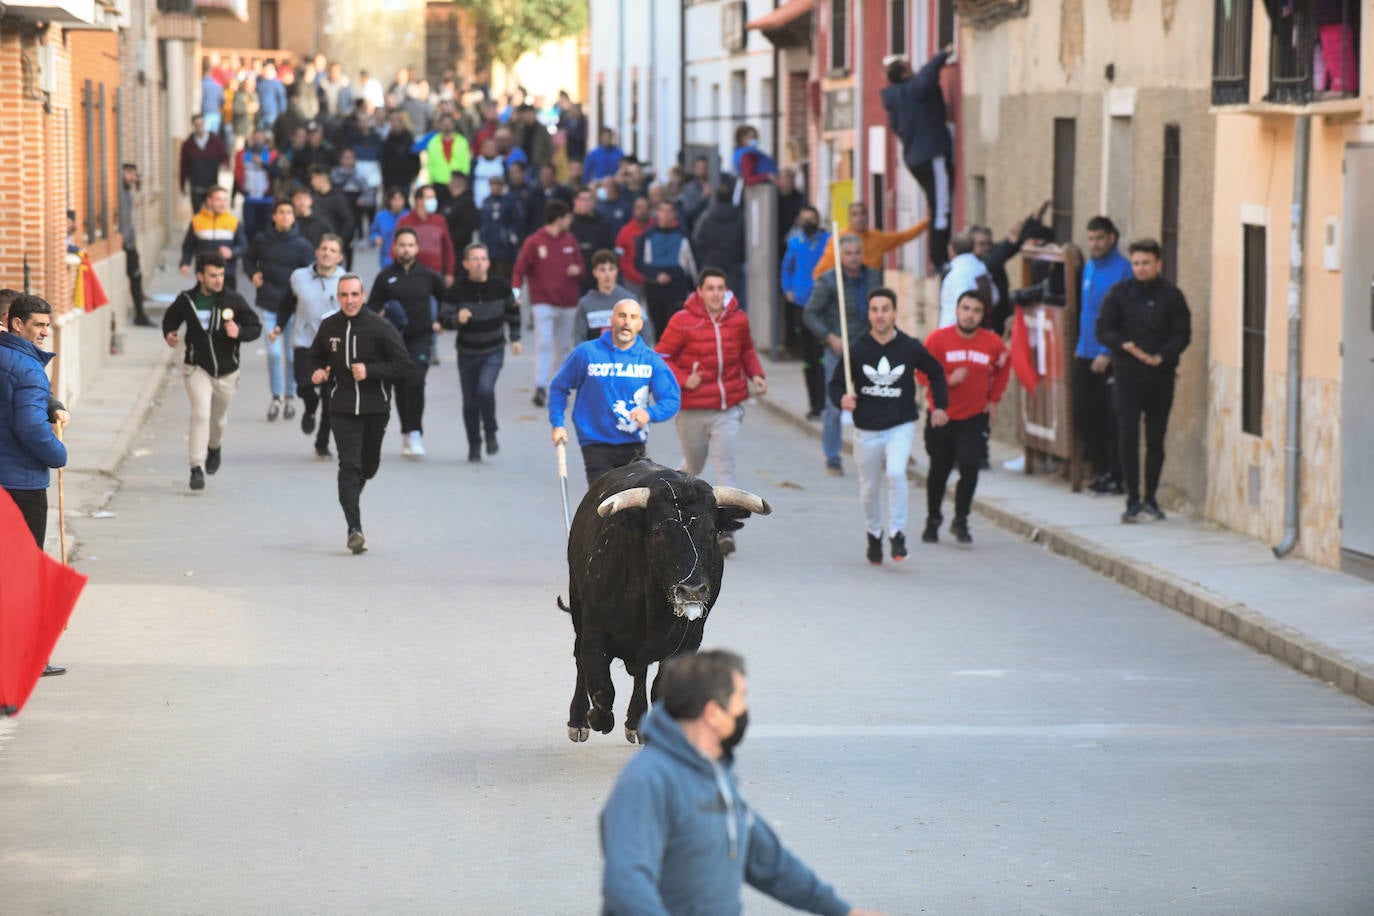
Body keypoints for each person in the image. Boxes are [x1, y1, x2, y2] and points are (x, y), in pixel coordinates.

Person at [600, 649, 886, 916]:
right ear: (713, 714)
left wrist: (841, 910)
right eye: (740, 698)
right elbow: (626, 884)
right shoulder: (647, 780)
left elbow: (768, 860)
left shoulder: (715, 773)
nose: (743, 710)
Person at [829, 288, 949, 564]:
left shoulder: (909, 347)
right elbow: (835, 386)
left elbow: (936, 371)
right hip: (867, 429)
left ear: (895, 312)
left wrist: (939, 405)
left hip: (900, 425)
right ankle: (874, 533)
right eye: (874, 310)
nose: (880, 315)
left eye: (885, 309)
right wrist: (843, 399)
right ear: (869, 314)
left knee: (896, 473)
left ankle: (897, 533)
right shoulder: (858, 349)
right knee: (869, 488)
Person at [655, 269, 766, 556]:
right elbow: (661, 357)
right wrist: (682, 379)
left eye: (721, 288)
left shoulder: (738, 319)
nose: (716, 293)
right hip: (692, 409)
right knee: (692, 466)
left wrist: (756, 374)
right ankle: (668, 503)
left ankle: (725, 530)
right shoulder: (683, 321)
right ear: (701, 292)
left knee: (724, 467)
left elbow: (747, 352)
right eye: (711, 288)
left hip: (726, 408)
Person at [307, 274, 413, 555]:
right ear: (338, 297)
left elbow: (404, 365)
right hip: (340, 408)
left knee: (368, 467)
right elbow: (314, 356)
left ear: (363, 296)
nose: (350, 301)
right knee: (348, 466)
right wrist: (316, 372)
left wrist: (371, 371)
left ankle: (355, 488)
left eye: (354, 295)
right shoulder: (329, 327)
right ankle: (354, 530)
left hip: (375, 408)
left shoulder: (381, 327)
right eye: (344, 295)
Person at [1095, 238, 1191, 523]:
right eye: (1136, 263)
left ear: (1158, 264)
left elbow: (1182, 333)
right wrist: (1123, 345)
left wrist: (1162, 355)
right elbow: (1104, 328)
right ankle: (1132, 498)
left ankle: (1151, 497)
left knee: (1156, 438)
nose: (1140, 268)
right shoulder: (1120, 293)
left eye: (1146, 263)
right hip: (1127, 377)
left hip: (1160, 377)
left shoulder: (1172, 296)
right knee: (1127, 436)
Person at [0, 294, 70, 677]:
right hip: (21, 485)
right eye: (39, 326)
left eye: (47, 325)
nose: (45, 332)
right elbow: (28, 425)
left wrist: (51, 404)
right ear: (16, 325)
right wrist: (57, 452)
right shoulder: (27, 368)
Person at [548, 298, 680, 485]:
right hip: (595, 443)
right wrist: (558, 423)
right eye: (622, 315)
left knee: (633, 507)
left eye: (633, 317)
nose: (627, 322)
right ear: (611, 320)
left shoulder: (650, 360)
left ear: (640, 324)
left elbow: (671, 399)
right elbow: (559, 387)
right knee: (605, 502)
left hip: (633, 444)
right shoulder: (587, 353)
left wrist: (649, 413)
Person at [163, 251, 262, 491]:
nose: (219, 280)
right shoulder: (187, 300)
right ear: (200, 276)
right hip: (197, 368)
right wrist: (169, 333)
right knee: (201, 415)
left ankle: (214, 447)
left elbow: (255, 326)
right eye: (213, 275)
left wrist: (239, 332)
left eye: (221, 274)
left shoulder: (233, 300)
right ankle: (196, 467)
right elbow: (171, 318)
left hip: (227, 371)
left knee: (218, 420)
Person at [919, 290, 1008, 546]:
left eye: (976, 311)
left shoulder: (992, 343)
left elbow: (1004, 366)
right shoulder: (938, 340)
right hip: (942, 416)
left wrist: (993, 400)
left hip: (973, 416)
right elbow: (921, 373)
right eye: (966, 309)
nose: (970, 315)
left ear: (983, 315)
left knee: (970, 466)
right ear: (956, 311)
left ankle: (961, 519)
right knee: (939, 470)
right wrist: (947, 381)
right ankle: (933, 519)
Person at [804, 234, 882, 476]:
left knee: (878, 399)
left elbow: (882, 308)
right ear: (840, 256)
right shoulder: (829, 281)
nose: (853, 258)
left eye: (857, 252)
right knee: (834, 404)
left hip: (868, 348)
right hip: (839, 349)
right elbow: (810, 314)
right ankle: (833, 457)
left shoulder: (872, 277)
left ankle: (879, 452)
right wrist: (830, 338)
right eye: (848, 253)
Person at [365, 227, 447, 457]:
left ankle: (415, 433)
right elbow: (372, 307)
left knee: (416, 381)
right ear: (395, 248)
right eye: (402, 244)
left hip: (421, 337)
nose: (406, 249)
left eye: (411, 245)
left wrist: (441, 321)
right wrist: (377, 323)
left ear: (417, 248)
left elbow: (446, 299)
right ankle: (406, 433)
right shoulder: (385, 276)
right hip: (393, 341)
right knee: (401, 386)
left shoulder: (428, 275)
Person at [439, 242, 522, 462]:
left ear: (488, 262)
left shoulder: (500, 286)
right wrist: (457, 319)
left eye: (483, 259)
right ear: (466, 264)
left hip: (493, 349)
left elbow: (513, 312)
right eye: (474, 259)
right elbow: (443, 319)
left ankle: (491, 430)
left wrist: (515, 338)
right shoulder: (457, 289)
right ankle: (474, 445)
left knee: (485, 390)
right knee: (469, 401)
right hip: (467, 351)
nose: (479, 263)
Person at [881, 47, 955, 271]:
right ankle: (940, 259)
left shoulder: (894, 98)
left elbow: (895, 127)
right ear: (903, 72)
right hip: (931, 154)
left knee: (936, 203)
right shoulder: (915, 89)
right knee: (941, 207)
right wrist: (944, 53)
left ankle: (938, 256)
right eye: (907, 66)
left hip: (914, 158)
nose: (912, 68)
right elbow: (927, 76)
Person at [275, 234, 347, 458]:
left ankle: (322, 443)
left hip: (334, 346)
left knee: (330, 398)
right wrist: (278, 325)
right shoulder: (299, 276)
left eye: (332, 250)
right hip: (305, 341)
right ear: (316, 252)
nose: (327, 253)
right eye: (324, 248)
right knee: (304, 385)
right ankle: (309, 404)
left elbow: (353, 311)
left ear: (340, 257)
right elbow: (287, 303)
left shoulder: (345, 281)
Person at [1076, 216, 1133, 495]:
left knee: (1111, 418)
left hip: (1106, 356)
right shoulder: (1088, 267)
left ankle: (1114, 474)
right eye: (1090, 239)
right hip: (1084, 352)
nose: (1094, 244)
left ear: (1112, 237)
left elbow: (1124, 318)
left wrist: (1107, 352)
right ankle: (1099, 470)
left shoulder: (1123, 271)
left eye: (1099, 238)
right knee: (1087, 415)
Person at [244, 198, 315, 421]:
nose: (285, 216)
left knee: (292, 356)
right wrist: (252, 274)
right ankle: (276, 396)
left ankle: (290, 397)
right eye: (281, 212)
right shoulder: (262, 240)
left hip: (293, 308)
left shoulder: (302, 245)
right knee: (275, 355)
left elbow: (311, 272)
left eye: (289, 212)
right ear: (274, 216)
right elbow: (248, 258)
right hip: (269, 304)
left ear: (294, 217)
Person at [513, 200, 585, 407]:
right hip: (543, 302)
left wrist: (577, 271)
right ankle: (540, 386)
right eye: (568, 217)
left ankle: (559, 388)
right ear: (560, 218)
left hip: (568, 303)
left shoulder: (570, 240)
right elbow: (520, 269)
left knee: (563, 346)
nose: (570, 221)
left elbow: (581, 267)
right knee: (544, 343)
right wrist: (515, 292)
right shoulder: (535, 241)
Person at [780, 206, 829, 418]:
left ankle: (828, 403)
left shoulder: (828, 241)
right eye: (804, 219)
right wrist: (788, 289)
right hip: (801, 304)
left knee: (824, 357)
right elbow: (786, 268)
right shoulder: (795, 243)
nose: (808, 222)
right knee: (809, 357)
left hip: (824, 304)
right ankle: (814, 405)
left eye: (812, 219)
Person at [810, 201, 928, 280]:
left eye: (862, 214)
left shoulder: (876, 238)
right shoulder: (839, 239)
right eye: (855, 215)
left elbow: (902, 237)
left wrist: (928, 222)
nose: (859, 218)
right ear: (849, 219)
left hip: (871, 293)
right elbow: (819, 273)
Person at [635, 201, 698, 339]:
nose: (666, 215)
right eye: (662, 210)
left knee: (676, 329)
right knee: (658, 330)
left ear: (674, 214)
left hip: (676, 289)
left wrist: (695, 289)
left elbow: (692, 265)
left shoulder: (683, 236)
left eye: (669, 211)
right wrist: (656, 276)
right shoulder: (647, 237)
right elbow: (638, 262)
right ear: (657, 213)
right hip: (654, 290)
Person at [574, 249, 656, 345]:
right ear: (595, 272)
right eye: (602, 269)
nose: (607, 274)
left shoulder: (630, 300)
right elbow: (578, 338)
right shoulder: (585, 303)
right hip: (596, 358)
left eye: (611, 269)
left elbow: (646, 332)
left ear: (616, 271)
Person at [179, 186, 248, 291]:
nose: (223, 203)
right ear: (209, 201)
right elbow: (188, 245)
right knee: (205, 306)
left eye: (225, 200)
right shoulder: (197, 221)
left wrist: (232, 252)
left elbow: (244, 246)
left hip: (227, 274)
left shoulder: (233, 222)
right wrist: (185, 263)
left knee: (227, 307)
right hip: (204, 275)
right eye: (218, 200)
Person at [692, 185, 748, 311]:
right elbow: (745, 241)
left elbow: (698, 240)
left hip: (711, 262)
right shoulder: (739, 217)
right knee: (733, 300)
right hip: (734, 263)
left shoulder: (707, 217)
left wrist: (704, 257)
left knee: (711, 299)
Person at [396, 184, 456, 285]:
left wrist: (449, 273)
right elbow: (396, 249)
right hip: (411, 275)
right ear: (418, 201)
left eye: (434, 197)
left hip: (435, 274)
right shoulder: (405, 221)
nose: (433, 201)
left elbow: (448, 249)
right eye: (429, 198)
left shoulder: (440, 220)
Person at [118, 163, 154, 327]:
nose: (133, 178)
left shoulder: (128, 193)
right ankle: (139, 314)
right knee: (134, 277)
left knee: (136, 277)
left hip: (130, 242)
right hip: (123, 243)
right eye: (129, 173)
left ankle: (140, 314)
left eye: (134, 174)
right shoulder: (117, 192)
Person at [233, 129, 280, 245]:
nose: (257, 140)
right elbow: (237, 175)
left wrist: (263, 164)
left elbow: (278, 173)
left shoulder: (272, 155)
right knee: (249, 228)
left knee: (265, 229)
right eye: (255, 138)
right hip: (249, 199)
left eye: (260, 138)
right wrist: (233, 196)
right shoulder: (243, 155)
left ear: (265, 139)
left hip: (266, 199)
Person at [938, 233, 996, 328]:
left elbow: (964, 304)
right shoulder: (981, 268)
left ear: (951, 250)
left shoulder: (956, 274)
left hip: (957, 333)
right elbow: (995, 297)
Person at [478, 174, 525, 281]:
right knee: (489, 278)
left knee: (504, 277)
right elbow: (482, 223)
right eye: (492, 184)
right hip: (489, 246)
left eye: (497, 184)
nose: (495, 187)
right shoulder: (486, 202)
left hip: (505, 248)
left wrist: (510, 235)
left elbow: (518, 221)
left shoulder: (510, 201)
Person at [180, 114, 230, 214]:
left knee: (213, 214)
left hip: (212, 186)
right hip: (196, 187)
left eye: (201, 124)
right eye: (196, 125)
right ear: (193, 126)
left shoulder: (215, 141)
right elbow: (183, 166)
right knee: (198, 215)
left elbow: (224, 156)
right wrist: (182, 184)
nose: (199, 127)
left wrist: (224, 164)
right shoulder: (188, 145)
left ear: (204, 124)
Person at [310, 165, 357, 270]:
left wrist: (339, 242)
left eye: (313, 178)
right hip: (317, 248)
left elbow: (349, 222)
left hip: (333, 249)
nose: (312, 182)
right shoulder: (313, 198)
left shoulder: (338, 198)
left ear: (321, 178)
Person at [569, 187, 616, 293]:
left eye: (589, 199)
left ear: (594, 201)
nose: (586, 203)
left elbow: (610, 251)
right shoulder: (569, 225)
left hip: (599, 280)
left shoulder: (603, 224)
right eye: (583, 199)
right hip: (576, 281)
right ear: (575, 201)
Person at [425, 114, 471, 204]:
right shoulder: (433, 142)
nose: (447, 126)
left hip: (458, 183)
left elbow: (466, 162)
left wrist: (463, 179)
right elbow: (430, 164)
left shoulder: (462, 142)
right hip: (439, 183)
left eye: (449, 123)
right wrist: (430, 182)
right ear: (440, 125)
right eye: (444, 124)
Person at [613, 195, 651, 303]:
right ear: (634, 210)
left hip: (654, 281)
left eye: (645, 208)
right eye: (639, 208)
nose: (642, 211)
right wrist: (632, 273)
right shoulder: (625, 231)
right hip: (632, 282)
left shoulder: (656, 227)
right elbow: (620, 257)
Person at [440, 170, 482, 252]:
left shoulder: (467, 203)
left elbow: (466, 228)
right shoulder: (449, 202)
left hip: (461, 250)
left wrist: (450, 240)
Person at [369, 187, 409, 270]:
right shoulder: (381, 216)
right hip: (387, 259)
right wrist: (375, 238)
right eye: (394, 199)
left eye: (400, 199)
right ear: (389, 200)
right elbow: (373, 232)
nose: (397, 202)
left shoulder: (409, 216)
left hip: (405, 257)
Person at [471, 136, 506, 207]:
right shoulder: (476, 162)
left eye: (492, 147)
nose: (490, 150)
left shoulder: (502, 163)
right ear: (482, 149)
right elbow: (470, 181)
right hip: (478, 202)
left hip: (498, 205)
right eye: (487, 147)